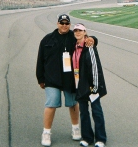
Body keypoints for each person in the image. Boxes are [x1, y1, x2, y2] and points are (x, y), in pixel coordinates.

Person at [36, 14, 97, 147]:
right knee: (51, 104)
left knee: (73, 104)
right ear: (57, 24)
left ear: (69, 25)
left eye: (66, 23)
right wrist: (40, 78)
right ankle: (46, 132)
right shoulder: (47, 39)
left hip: (70, 79)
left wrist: (92, 39)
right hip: (52, 79)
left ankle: (75, 128)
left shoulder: (74, 37)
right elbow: (40, 59)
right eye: (62, 23)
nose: (64, 25)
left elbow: (87, 40)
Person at [73, 23, 107, 147]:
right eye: (75, 30)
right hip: (79, 84)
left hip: (91, 85)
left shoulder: (89, 46)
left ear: (85, 32)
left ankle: (100, 138)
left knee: (96, 111)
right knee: (83, 112)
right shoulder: (74, 46)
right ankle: (87, 137)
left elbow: (95, 67)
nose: (78, 32)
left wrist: (95, 87)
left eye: (80, 30)